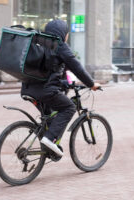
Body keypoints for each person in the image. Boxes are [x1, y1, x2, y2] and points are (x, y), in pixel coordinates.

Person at [21, 20, 100, 156]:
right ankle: (50, 139)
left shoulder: (39, 42)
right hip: (46, 91)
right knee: (69, 108)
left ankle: (47, 146)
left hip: (28, 88)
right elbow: (77, 67)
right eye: (67, 34)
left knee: (51, 116)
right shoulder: (59, 46)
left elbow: (49, 71)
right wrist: (91, 84)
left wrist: (64, 83)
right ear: (63, 34)